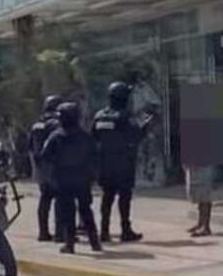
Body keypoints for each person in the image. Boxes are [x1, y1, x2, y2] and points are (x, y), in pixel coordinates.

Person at [92, 81, 152, 243]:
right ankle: (125, 230)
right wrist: (146, 125)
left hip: (104, 164)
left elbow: (93, 138)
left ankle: (104, 231)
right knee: (124, 198)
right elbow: (135, 137)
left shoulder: (99, 116)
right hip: (123, 164)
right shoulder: (125, 117)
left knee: (107, 197)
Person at [41, 102, 102, 254]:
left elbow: (45, 156)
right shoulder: (85, 136)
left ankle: (70, 244)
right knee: (86, 210)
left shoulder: (56, 136)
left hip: (63, 180)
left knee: (68, 213)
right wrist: (93, 175)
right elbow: (95, 156)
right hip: (82, 179)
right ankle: (95, 242)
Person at [29, 95, 62, 242]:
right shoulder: (56, 123)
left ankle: (43, 232)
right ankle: (60, 233)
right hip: (55, 167)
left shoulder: (37, 124)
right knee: (60, 200)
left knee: (45, 199)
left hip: (41, 168)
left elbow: (29, 146)